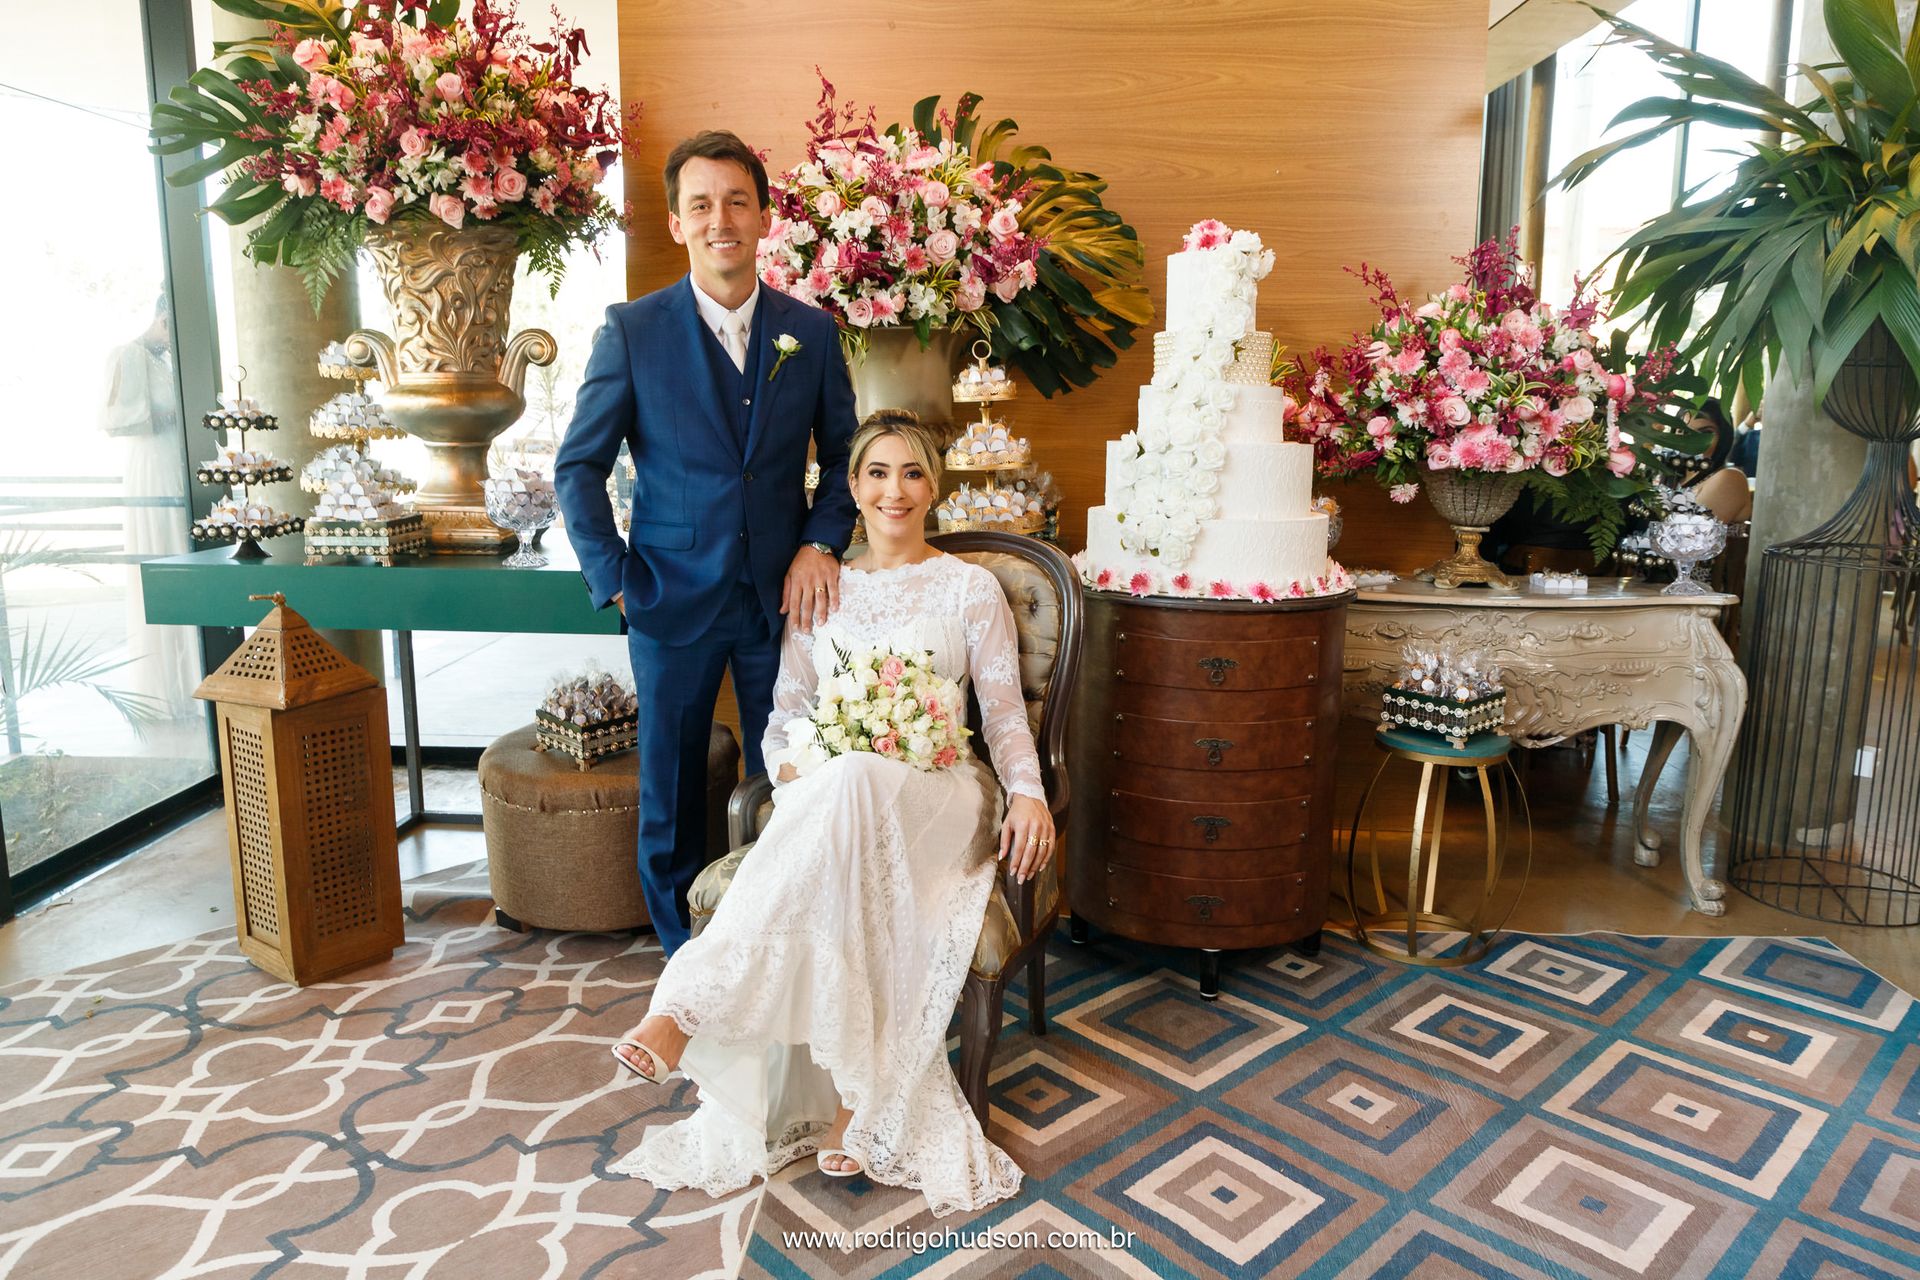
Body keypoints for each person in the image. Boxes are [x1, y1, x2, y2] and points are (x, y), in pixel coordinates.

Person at [606, 416, 1055, 1216]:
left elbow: (1004, 715)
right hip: (840, 795)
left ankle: (682, 1008)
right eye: (876, 473)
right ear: (851, 487)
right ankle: (855, 1101)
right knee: (844, 788)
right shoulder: (822, 588)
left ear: (934, 486)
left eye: (911, 473)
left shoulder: (969, 589)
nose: (894, 490)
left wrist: (1028, 792)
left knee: (849, 785)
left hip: (943, 791)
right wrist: (802, 770)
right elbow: (783, 721)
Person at [554, 131, 858, 955]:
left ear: (763, 217)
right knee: (673, 788)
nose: (720, 220)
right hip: (667, 594)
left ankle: (781, 943)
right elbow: (577, 467)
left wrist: (820, 544)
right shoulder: (632, 331)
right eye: (701, 205)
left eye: (736, 202)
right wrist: (616, 576)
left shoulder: (810, 333)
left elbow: (846, 458)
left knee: (791, 773)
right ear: (676, 222)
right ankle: (683, 961)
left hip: (782, 597)